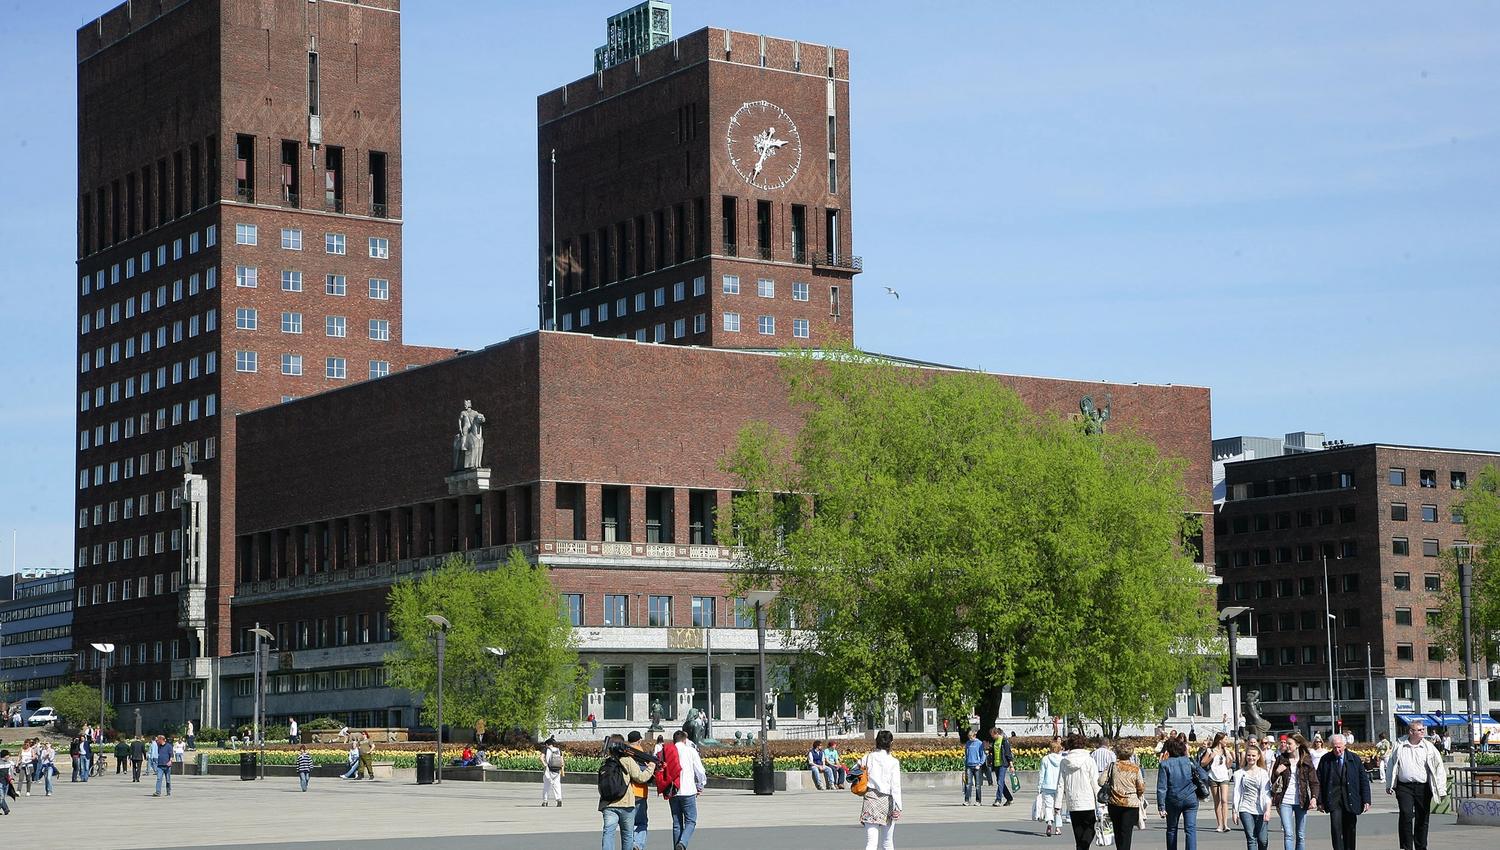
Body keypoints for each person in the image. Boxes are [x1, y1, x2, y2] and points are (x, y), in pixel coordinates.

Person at [1384, 718, 1446, 850]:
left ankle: (1421, 846)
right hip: (1404, 786)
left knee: (1422, 817)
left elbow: (1439, 768)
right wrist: (1389, 784)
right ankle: (1407, 846)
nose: (1423, 732)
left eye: (1423, 729)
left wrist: (1441, 789)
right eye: (1420, 730)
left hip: (1423, 787)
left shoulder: (1429, 747)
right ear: (1411, 732)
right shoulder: (1399, 745)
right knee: (1406, 814)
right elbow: (1391, 765)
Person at [600, 735, 656, 850]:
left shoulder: (606, 762)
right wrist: (651, 767)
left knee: (608, 832)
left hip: (608, 804)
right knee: (627, 835)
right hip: (626, 803)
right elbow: (640, 777)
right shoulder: (627, 760)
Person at [1315, 734, 1370, 850]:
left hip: (1351, 799)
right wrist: (1319, 801)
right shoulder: (1325, 760)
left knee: (1350, 829)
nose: (1337, 750)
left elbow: (1363, 780)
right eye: (1334, 747)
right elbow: (1318, 781)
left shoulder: (1354, 759)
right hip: (1334, 800)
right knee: (1336, 829)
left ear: (1345, 745)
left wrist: (1366, 800)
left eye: (1339, 747)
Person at [1156, 734, 1205, 850]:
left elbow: (1162, 787)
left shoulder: (1165, 764)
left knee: (1172, 829)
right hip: (1190, 798)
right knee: (1190, 829)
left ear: (1168, 750)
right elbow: (1203, 775)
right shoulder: (1188, 761)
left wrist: (1161, 806)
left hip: (1173, 799)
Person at [857, 729, 903, 850]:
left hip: (870, 799)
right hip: (887, 801)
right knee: (888, 842)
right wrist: (898, 807)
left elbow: (854, 770)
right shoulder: (894, 762)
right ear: (891, 743)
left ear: (876, 742)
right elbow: (896, 786)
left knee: (871, 842)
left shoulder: (868, 757)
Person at [1270, 736, 1318, 850]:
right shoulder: (1281, 759)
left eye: (1289, 743)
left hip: (1302, 800)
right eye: (1286, 743)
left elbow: (1314, 781)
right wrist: (1277, 772)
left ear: (1297, 745)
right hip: (1285, 800)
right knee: (1289, 834)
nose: (1286, 745)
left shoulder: (1306, 760)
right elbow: (1272, 779)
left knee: (1300, 835)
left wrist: (1314, 797)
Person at [1056, 734, 1101, 850]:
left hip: (1072, 801)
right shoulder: (1089, 760)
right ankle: (1083, 847)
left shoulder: (1064, 762)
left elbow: (1061, 784)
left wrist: (1057, 804)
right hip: (1088, 800)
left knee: (1078, 831)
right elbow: (1095, 783)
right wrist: (1100, 801)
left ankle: (1081, 847)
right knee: (1090, 828)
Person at [1100, 742, 1145, 850]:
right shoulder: (1135, 768)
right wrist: (1138, 794)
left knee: (1118, 832)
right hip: (1131, 804)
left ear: (1117, 752)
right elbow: (1141, 787)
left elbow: (1101, 781)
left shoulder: (1112, 766)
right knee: (1126, 833)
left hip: (1114, 803)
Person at [670, 730, 708, 850]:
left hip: (672, 790)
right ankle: (682, 842)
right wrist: (700, 785)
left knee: (677, 823)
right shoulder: (690, 750)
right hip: (688, 790)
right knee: (691, 820)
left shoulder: (668, 752)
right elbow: (700, 771)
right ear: (685, 740)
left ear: (674, 740)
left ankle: (677, 846)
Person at [1231, 744, 1273, 850]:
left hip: (1261, 809)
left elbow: (1267, 793)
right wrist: (1234, 811)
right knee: (1251, 839)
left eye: (1253, 756)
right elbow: (1237, 793)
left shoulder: (1263, 773)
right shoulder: (1239, 773)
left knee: (1263, 840)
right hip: (1245, 808)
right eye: (1249, 755)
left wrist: (1267, 810)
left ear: (1258, 757)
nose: (1251, 758)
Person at [625, 731, 656, 850]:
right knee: (642, 822)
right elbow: (645, 774)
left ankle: (631, 844)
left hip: (626, 793)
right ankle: (638, 844)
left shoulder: (624, 753)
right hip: (640, 792)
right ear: (639, 740)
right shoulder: (641, 754)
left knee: (629, 823)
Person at [1201, 732, 1234, 832]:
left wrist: (1230, 759)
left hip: (1224, 776)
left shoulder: (1225, 751)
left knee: (1224, 800)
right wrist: (1211, 757)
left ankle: (1225, 824)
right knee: (1217, 801)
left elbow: (1228, 766)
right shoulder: (1210, 750)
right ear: (1220, 740)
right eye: (1225, 739)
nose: (1226, 741)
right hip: (1213, 777)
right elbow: (1202, 763)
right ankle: (1219, 824)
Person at [1037, 738, 1065, 837]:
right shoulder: (1062, 760)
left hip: (1047, 785)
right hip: (1059, 786)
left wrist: (1039, 787)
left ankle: (1049, 824)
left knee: (1048, 807)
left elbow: (1041, 775)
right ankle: (1058, 828)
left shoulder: (1045, 759)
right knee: (1058, 807)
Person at [962, 728, 986, 806]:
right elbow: (966, 755)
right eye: (969, 736)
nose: (970, 738)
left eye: (971, 736)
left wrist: (980, 764)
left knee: (978, 785)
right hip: (969, 765)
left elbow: (983, 755)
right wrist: (965, 766)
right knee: (968, 784)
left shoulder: (979, 743)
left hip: (977, 766)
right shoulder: (968, 743)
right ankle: (967, 800)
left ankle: (978, 801)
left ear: (974, 735)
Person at [992, 728, 1015, 806]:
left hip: (1003, 764)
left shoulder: (1004, 741)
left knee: (1000, 782)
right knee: (1001, 782)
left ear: (997, 733)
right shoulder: (994, 741)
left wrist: (1011, 765)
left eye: (993, 735)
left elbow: (1008, 753)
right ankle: (1009, 798)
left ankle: (998, 799)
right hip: (996, 764)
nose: (992, 736)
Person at [541, 736, 565, 806]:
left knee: (546, 786)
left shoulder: (546, 749)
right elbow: (562, 761)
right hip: (557, 771)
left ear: (547, 744)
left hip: (548, 771)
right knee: (557, 785)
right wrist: (562, 770)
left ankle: (545, 801)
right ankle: (559, 799)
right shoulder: (558, 750)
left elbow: (541, 758)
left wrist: (545, 764)